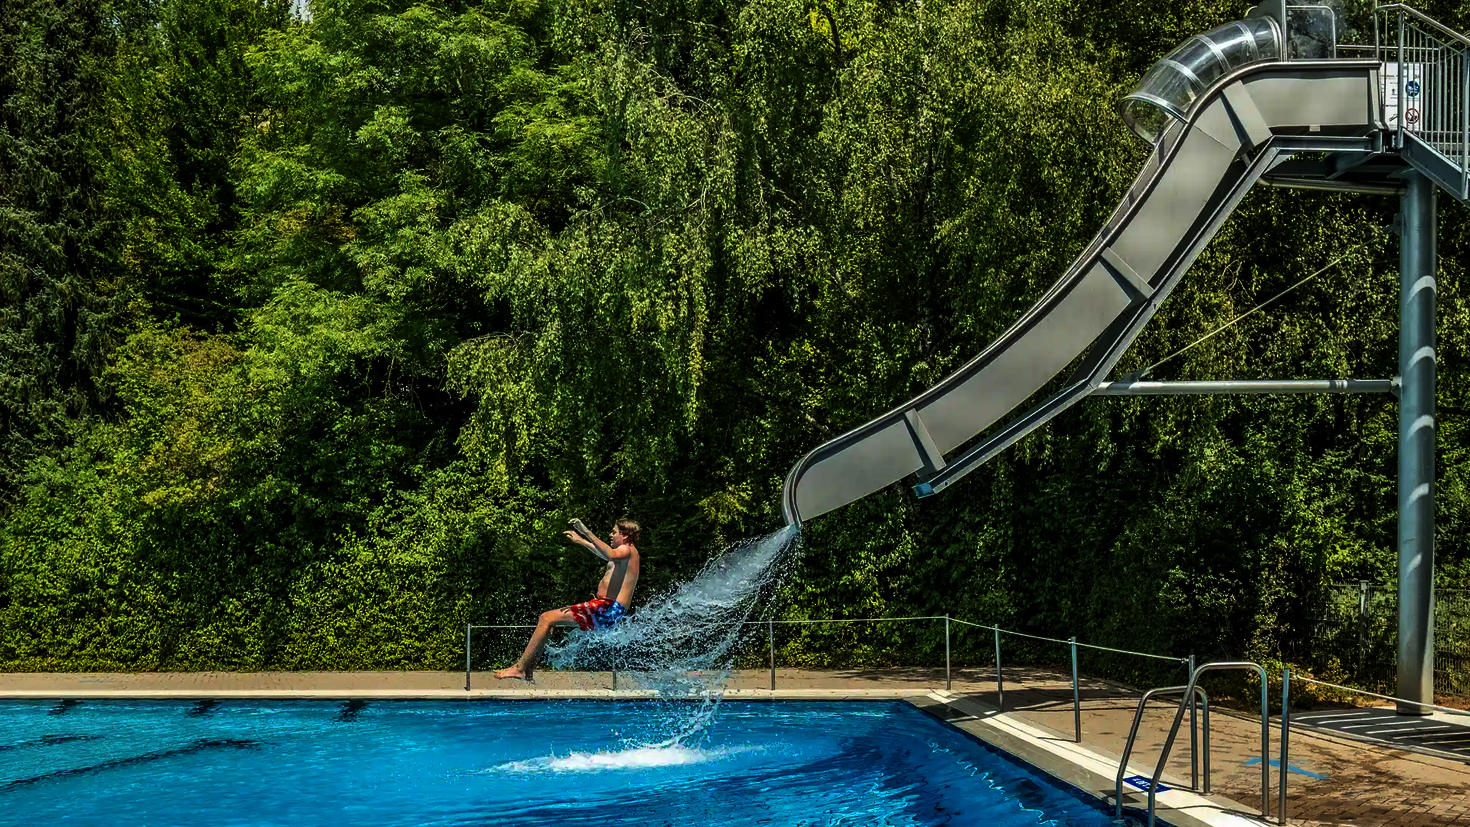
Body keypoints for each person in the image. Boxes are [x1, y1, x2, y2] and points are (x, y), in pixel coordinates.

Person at [495, 517, 641, 681]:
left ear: (626, 536)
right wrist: (582, 542)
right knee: (548, 621)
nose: (610, 534)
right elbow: (605, 554)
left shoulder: (626, 550)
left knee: (546, 618)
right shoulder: (626, 555)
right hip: (606, 608)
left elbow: (609, 553)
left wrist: (585, 531)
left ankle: (520, 669)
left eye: (614, 532)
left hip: (607, 609)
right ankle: (528, 670)